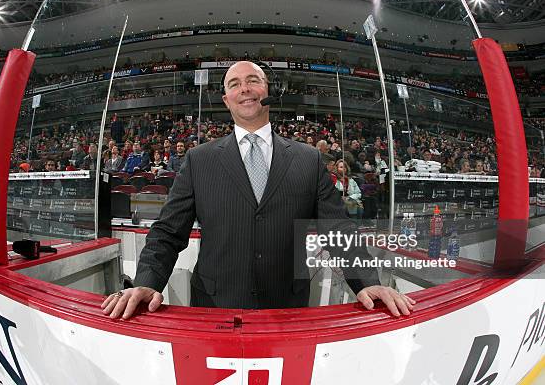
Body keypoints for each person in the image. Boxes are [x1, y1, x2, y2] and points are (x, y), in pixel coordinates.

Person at [102, 61, 415, 318]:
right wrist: (146, 282)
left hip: (287, 307)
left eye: (253, 80)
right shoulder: (199, 160)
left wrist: (366, 282)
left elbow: (338, 228)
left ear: (269, 91)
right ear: (226, 99)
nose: (245, 89)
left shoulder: (308, 159)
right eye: (234, 84)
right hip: (215, 306)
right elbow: (168, 233)